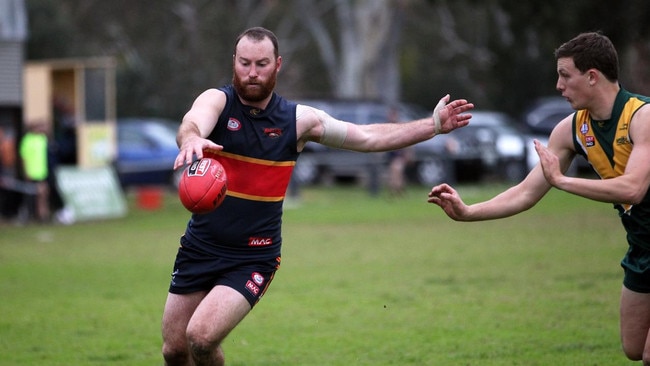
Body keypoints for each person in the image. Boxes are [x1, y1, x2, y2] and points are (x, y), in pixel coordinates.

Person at [162, 26, 474, 366]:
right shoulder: (218, 102)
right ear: (233, 62)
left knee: (202, 338)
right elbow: (193, 121)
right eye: (244, 63)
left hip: (252, 257)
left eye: (262, 64)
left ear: (278, 65)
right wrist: (192, 138)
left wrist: (433, 125)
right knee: (175, 350)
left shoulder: (298, 121)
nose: (252, 73)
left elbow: (368, 137)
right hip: (200, 246)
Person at [428, 31, 650, 364]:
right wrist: (469, 211)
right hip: (642, 248)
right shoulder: (572, 129)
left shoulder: (642, 117)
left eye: (565, 75)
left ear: (592, 76)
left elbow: (633, 188)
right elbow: (526, 192)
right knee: (635, 349)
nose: (559, 86)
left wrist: (562, 180)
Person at [19, 121, 50, 222]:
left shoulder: (42, 139)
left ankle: (42, 215)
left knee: (43, 195)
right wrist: (26, 171)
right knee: (30, 196)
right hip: (31, 173)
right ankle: (28, 215)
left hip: (42, 172)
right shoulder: (27, 140)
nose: (40, 130)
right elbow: (24, 157)